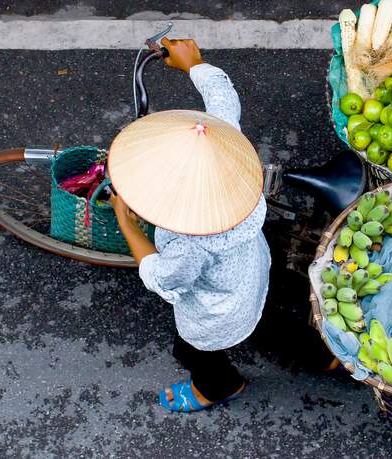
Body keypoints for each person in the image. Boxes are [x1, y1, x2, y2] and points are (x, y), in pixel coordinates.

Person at [107, 38, 271, 412]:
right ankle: (322, 358)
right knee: (273, 322)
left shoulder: (188, 242)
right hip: (253, 267)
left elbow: (165, 278)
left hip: (220, 311)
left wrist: (126, 223)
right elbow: (223, 100)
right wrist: (194, 64)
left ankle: (217, 387)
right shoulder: (225, 141)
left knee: (192, 349)